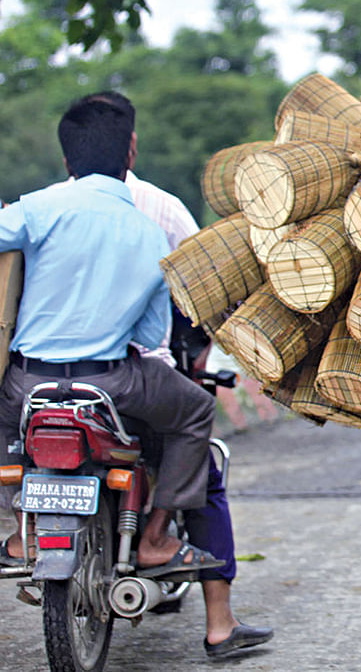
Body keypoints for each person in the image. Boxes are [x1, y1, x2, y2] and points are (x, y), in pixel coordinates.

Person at [0, 96, 219, 584]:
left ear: (66, 161)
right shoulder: (150, 233)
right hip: (111, 384)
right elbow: (148, 338)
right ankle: (157, 538)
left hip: (26, 384)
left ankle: (19, 532)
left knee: (2, 419)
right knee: (196, 412)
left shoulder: (36, 208)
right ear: (131, 155)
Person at [86, 91, 273, 657]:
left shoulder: (42, 208)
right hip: (138, 378)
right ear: (132, 147)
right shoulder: (161, 211)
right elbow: (201, 300)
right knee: (203, 467)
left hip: (46, 377)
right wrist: (199, 364)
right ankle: (218, 621)